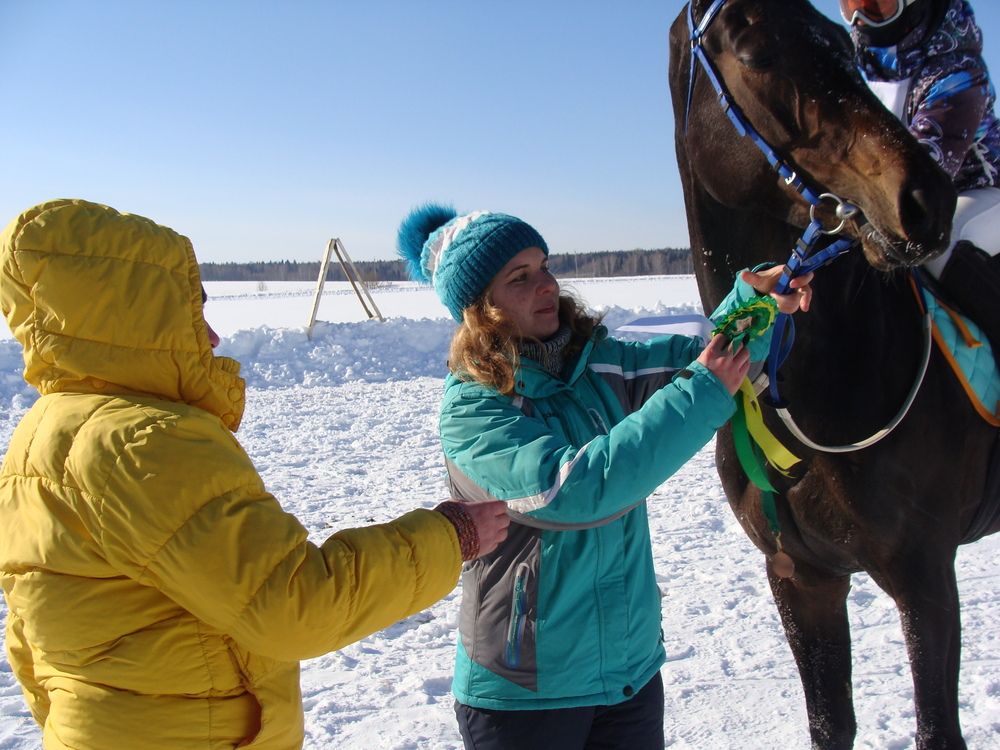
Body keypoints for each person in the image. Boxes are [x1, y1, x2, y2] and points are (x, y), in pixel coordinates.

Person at [0, 198, 510, 750]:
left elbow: (29, 647)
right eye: (191, 313)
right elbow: (293, 603)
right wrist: (448, 535)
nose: (213, 336)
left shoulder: (38, 436)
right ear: (134, 319)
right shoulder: (144, 442)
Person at [396, 203, 814, 750]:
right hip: (526, 696)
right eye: (519, 278)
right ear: (481, 308)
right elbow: (574, 490)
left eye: (543, 266)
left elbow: (704, 358)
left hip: (628, 675)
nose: (545, 285)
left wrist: (757, 300)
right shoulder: (474, 410)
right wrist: (704, 391)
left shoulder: (597, 365)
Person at [841, 0, 1000, 351]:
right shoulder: (850, 68)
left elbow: (924, 173)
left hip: (978, 189)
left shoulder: (957, 68)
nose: (860, 19)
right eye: (851, 5)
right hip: (886, 195)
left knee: (941, 243)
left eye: (875, 5)